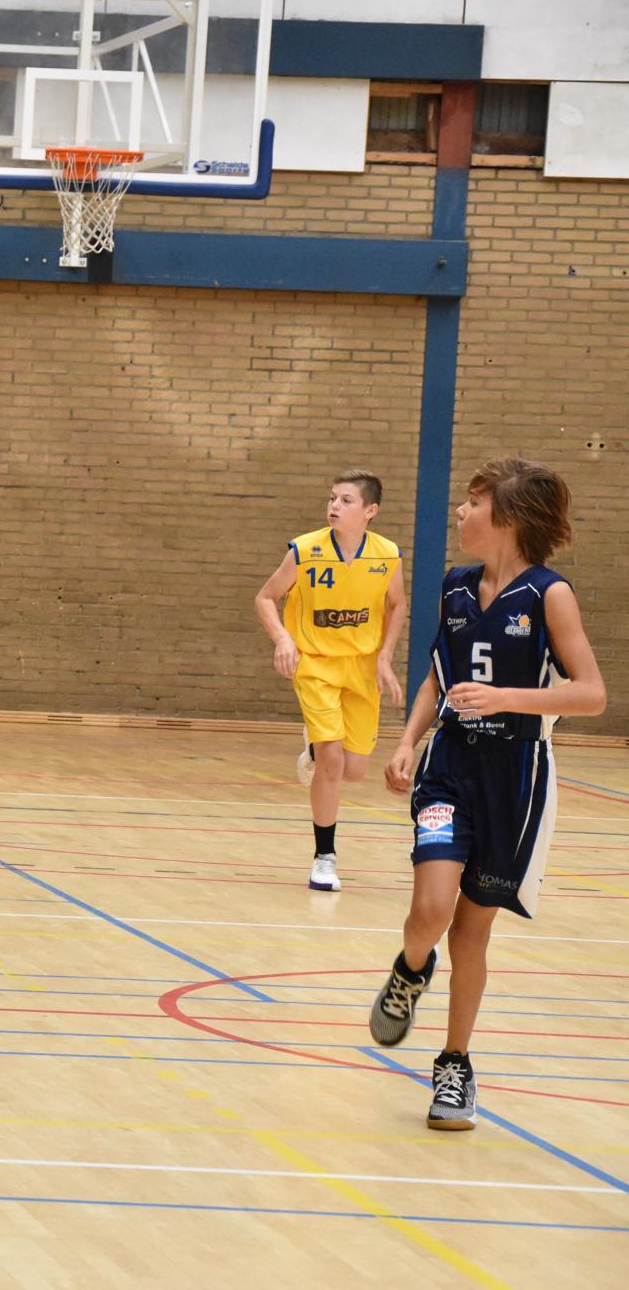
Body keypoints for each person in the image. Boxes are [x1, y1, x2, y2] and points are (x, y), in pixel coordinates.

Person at [367, 458, 604, 1131]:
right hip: (450, 766)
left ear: (507, 518)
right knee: (429, 910)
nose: (461, 512)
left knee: (471, 933)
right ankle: (411, 969)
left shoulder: (550, 595)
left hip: (516, 777)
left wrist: (506, 698)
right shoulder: (455, 586)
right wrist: (408, 740)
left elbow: (591, 693)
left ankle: (454, 1064)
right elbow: (437, 679)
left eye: (472, 503)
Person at [253, 469, 405, 891]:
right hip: (316, 664)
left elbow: (397, 604)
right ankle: (324, 857)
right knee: (333, 762)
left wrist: (385, 657)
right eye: (332, 498)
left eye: (346, 500)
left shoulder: (387, 555)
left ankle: (314, 751)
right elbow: (265, 597)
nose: (334, 505)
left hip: (362, 667)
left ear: (370, 511)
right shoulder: (305, 550)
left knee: (354, 770)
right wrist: (283, 638)